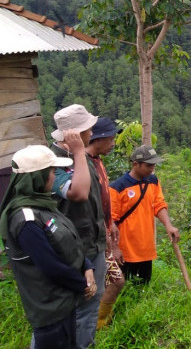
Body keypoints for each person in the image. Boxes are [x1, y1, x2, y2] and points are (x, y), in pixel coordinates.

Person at [0, 145, 96, 349]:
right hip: (50, 310)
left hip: (65, 302)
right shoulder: (25, 220)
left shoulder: (44, 206)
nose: (54, 176)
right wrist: (83, 285)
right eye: (51, 172)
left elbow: (69, 242)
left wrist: (87, 266)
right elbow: (50, 265)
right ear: (38, 177)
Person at [50, 104, 106, 349]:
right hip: (74, 249)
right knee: (78, 308)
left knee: (91, 304)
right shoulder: (55, 163)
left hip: (93, 243)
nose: (92, 134)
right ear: (74, 134)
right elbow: (80, 194)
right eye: (87, 129)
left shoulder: (79, 157)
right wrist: (78, 151)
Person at [109, 145, 179, 284]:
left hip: (146, 249)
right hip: (125, 251)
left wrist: (168, 226)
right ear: (136, 164)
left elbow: (159, 204)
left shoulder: (153, 181)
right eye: (148, 165)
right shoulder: (118, 187)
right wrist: (114, 249)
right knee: (124, 291)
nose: (152, 169)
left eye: (153, 165)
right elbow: (111, 220)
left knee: (143, 289)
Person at [85, 117, 125, 329]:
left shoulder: (98, 162)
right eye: (109, 138)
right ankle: (98, 324)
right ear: (97, 139)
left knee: (110, 281)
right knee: (116, 280)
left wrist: (112, 225)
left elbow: (104, 201)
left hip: (105, 232)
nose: (112, 143)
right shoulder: (84, 165)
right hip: (95, 238)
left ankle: (100, 321)